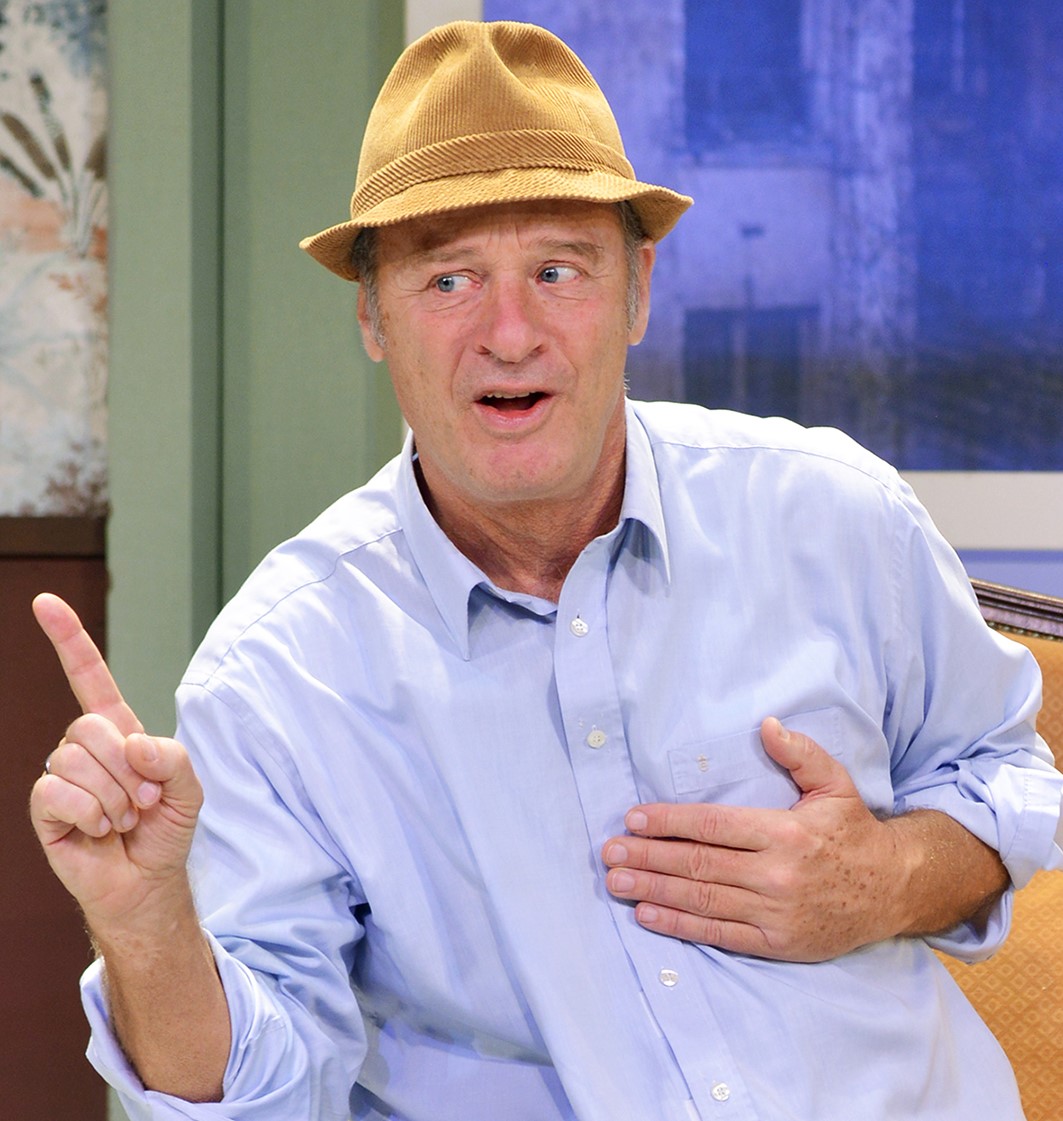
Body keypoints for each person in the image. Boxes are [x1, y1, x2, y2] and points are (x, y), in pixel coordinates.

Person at [30, 20, 1062, 1121]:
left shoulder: (836, 516)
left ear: (638, 291)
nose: (510, 333)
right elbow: (264, 1100)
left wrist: (881, 879)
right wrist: (147, 928)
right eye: (449, 279)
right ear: (372, 316)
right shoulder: (279, 673)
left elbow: (1005, 773)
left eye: (558, 269)